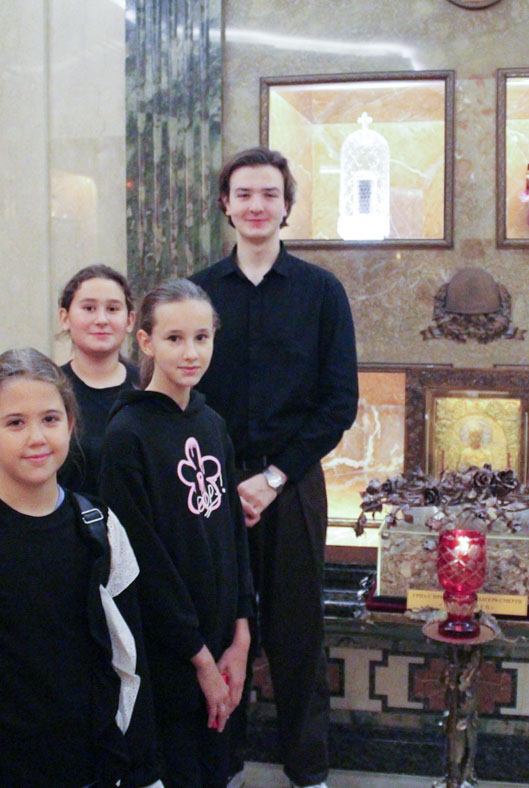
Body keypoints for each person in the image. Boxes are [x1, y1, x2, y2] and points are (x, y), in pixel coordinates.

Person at [0, 348, 161, 788]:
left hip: (94, 771)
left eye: (49, 419)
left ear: (71, 425)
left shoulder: (100, 528)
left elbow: (130, 659)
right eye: (15, 423)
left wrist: (142, 772)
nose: (36, 437)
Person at [190, 147, 358, 788]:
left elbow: (338, 402)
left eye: (269, 194)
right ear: (225, 205)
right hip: (208, 484)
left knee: (297, 630)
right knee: (216, 625)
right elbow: (182, 391)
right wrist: (223, 477)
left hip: (292, 483)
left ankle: (307, 768)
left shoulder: (321, 292)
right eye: (244, 194)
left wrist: (274, 477)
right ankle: (220, 761)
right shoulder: (198, 292)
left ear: (287, 205)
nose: (256, 205)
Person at [98, 279, 254, 788]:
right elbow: (144, 561)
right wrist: (201, 660)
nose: (191, 353)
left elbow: (233, 535)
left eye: (202, 338)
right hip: (171, 649)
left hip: (222, 640)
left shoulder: (212, 424)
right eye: (174, 338)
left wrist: (241, 637)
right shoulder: (127, 435)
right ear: (145, 342)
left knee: (218, 768)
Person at [56, 264, 141, 498]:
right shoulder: (49, 390)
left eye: (112, 309)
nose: (101, 319)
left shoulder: (149, 388)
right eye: (89, 308)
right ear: (65, 318)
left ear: (130, 320)